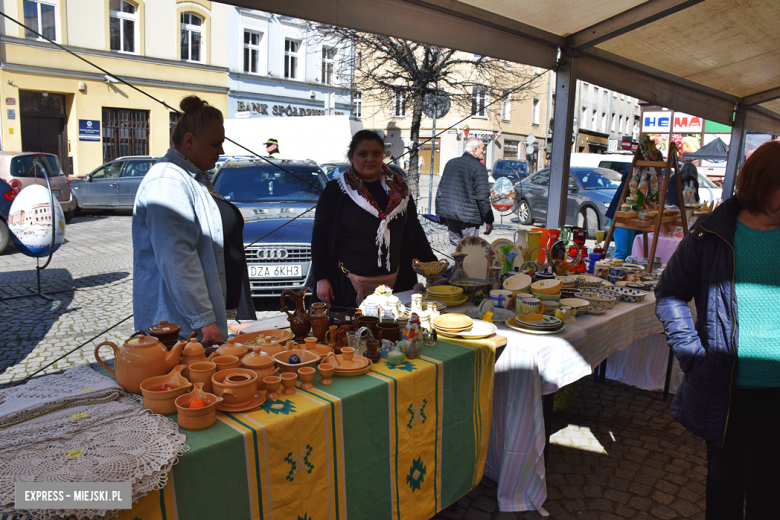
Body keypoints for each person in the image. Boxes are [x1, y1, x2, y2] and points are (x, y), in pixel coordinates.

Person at [655, 141, 780, 519]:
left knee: (770, 491)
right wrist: (692, 355)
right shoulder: (709, 235)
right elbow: (670, 294)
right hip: (727, 388)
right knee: (724, 483)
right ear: (764, 183)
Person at [133, 96, 254, 344]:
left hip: (194, 328)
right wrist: (204, 321)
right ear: (189, 141)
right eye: (215, 144)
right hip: (180, 330)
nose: (221, 151)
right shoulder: (167, 180)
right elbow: (177, 257)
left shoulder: (192, 177)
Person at [311, 130, 437, 307]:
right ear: (351, 156)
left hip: (397, 284)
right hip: (347, 288)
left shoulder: (400, 190)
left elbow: (414, 231)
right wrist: (321, 277)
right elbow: (320, 237)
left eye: (376, 153)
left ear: (383, 155)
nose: (370, 159)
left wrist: (432, 267)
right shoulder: (336, 191)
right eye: (363, 154)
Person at [435, 137, 494, 261]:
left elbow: (441, 190)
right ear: (475, 149)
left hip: (451, 215)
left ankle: (448, 274)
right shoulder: (479, 168)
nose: (484, 151)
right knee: (469, 247)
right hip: (469, 218)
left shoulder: (451, 163)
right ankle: (467, 278)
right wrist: (489, 220)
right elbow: (482, 197)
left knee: (454, 244)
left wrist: (441, 215)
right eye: (483, 149)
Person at [605, 171, 637, 260]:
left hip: (629, 215)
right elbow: (620, 195)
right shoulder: (632, 177)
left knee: (629, 251)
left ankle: (624, 271)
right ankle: (616, 271)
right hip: (620, 214)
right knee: (622, 250)